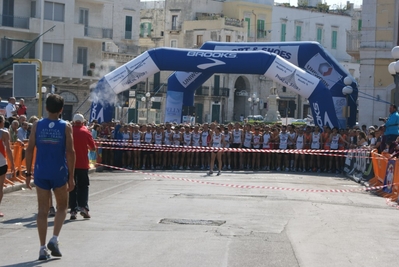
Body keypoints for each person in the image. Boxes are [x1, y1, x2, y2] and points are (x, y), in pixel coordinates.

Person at [25, 94, 76, 261]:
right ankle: (54, 238)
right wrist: (71, 176)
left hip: (41, 172)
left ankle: (41, 248)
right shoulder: (66, 126)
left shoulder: (37, 125)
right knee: (62, 206)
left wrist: (27, 173)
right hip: (58, 171)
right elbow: (70, 152)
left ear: (46, 108)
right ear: (61, 110)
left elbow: (30, 149)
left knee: (42, 210)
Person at [69, 113, 96, 220]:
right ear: (83, 122)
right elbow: (93, 147)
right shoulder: (86, 131)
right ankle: (83, 207)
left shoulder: (69, 131)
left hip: (70, 164)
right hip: (83, 163)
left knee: (72, 187)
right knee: (83, 187)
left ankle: (73, 210)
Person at [0, 115, 15, 217]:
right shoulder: (5, 133)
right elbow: (9, 150)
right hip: (1, 163)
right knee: (0, 188)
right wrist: (12, 164)